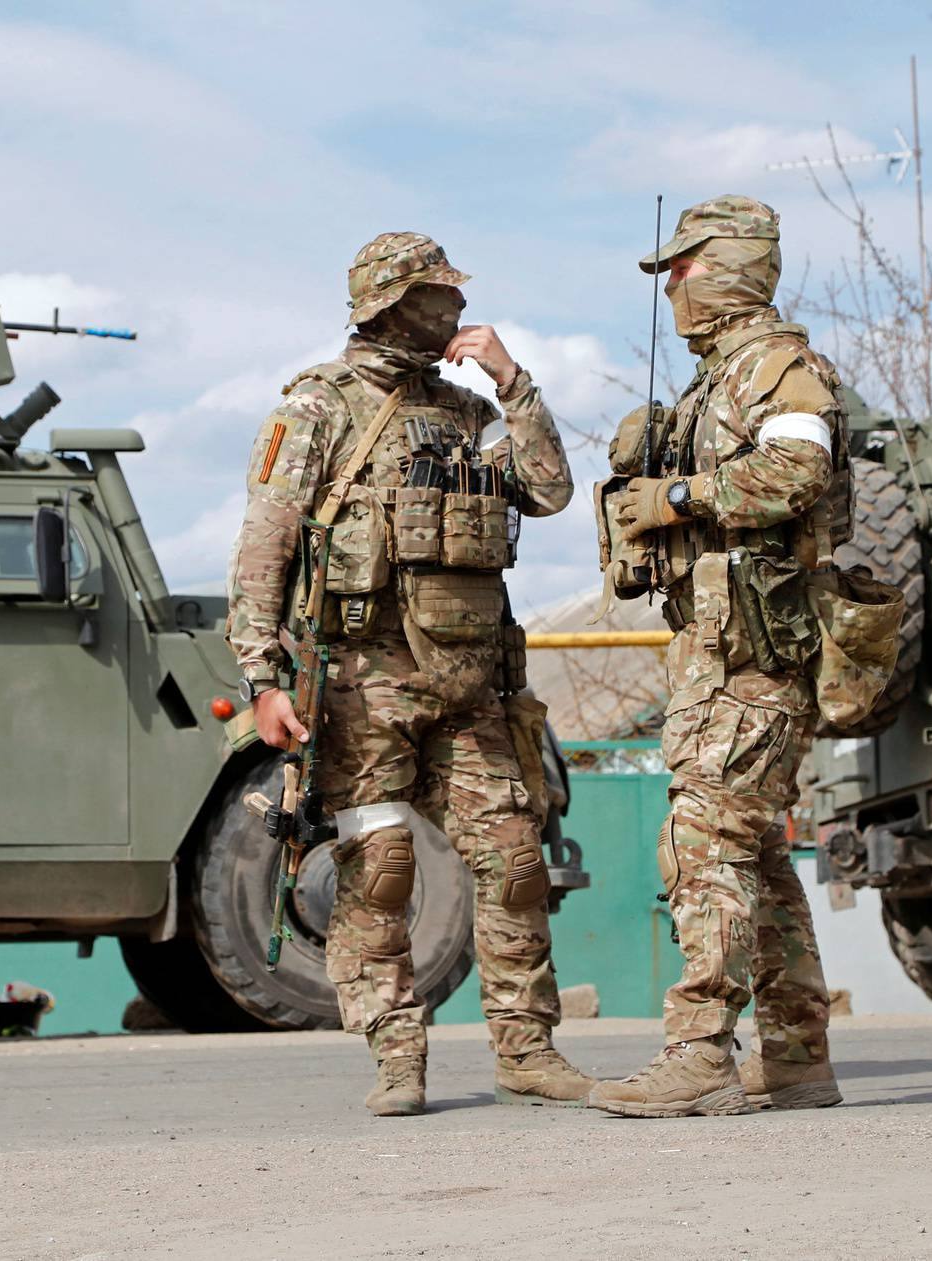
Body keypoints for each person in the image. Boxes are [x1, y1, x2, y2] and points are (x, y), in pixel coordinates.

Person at [226, 232, 589, 1116]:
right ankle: (396, 1054)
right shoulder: (318, 406)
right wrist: (262, 680)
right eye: (438, 297)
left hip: (469, 688)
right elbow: (265, 543)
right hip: (361, 688)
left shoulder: (464, 412)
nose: (455, 313)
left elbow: (549, 490)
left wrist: (514, 382)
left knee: (512, 861)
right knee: (379, 865)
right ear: (390, 304)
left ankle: (528, 1048)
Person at [588, 194, 850, 1117]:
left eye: (684, 269)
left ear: (729, 267)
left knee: (700, 842)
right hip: (717, 656)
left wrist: (683, 495)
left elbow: (797, 471)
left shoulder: (777, 367)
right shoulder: (720, 378)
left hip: (756, 658)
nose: (674, 289)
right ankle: (796, 1052)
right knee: (753, 857)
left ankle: (699, 1052)